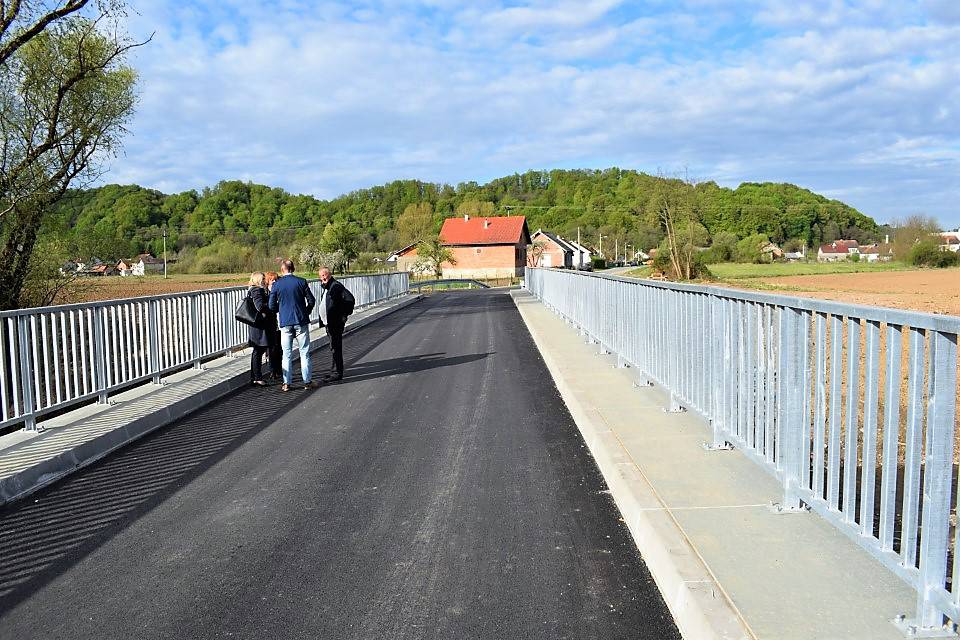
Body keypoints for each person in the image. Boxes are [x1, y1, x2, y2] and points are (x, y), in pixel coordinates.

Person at [268, 259, 316, 391]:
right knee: (304, 352)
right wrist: (306, 312)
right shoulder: (301, 281)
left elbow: (271, 306)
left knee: (287, 354)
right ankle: (307, 381)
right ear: (293, 269)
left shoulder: (277, 285)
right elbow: (311, 300)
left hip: (285, 322)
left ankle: (286, 383)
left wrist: (282, 310)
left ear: (282, 270)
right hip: (301, 320)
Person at [317, 266, 355, 382]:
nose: (322, 278)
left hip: (335, 323)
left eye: (324, 275)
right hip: (329, 323)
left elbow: (350, 299)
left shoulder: (336, 286)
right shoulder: (329, 287)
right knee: (333, 346)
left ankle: (338, 373)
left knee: (336, 347)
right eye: (321, 276)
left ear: (330, 274)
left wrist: (344, 315)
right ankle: (334, 371)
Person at [246, 272, 271, 386]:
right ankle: (257, 377)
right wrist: (269, 308)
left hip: (255, 324)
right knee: (258, 350)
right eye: (263, 278)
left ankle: (255, 377)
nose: (265, 280)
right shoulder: (257, 290)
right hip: (259, 325)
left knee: (257, 350)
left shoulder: (251, 290)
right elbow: (260, 306)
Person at [263, 271, 282, 381]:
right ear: (267, 281)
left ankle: (279, 370)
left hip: (280, 323)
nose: (274, 281)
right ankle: (272, 371)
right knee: (271, 349)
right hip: (270, 324)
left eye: (275, 279)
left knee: (280, 348)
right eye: (271, 280)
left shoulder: (279, 291)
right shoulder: (265, 293)